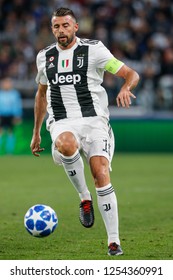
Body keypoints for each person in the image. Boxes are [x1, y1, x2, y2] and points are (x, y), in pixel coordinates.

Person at [30, 7, 140, 256]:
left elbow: (131, 74)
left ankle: (113, 241)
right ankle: (84, 197)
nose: (61, 31)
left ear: (76, 27)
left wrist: (126, 87)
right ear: (52, 29)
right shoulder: (44, 56)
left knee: (100, 171)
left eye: (65, 25)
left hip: (95, 121)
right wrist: (36, 132)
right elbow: (41, 94)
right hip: (62, 122)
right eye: (56, 26)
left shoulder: (94, 50)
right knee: (67, 143)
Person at [0, 77, 22, 154]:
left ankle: (10, 151)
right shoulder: (1, 94)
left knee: (10, 133)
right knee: (1, 133)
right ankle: (1, 151)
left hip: (11, 115)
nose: (7, 85)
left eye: (8, 83)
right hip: (1, 115)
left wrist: (17, 116)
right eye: (5, 83)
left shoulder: (14, 94)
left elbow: (17, 105)